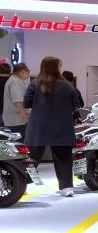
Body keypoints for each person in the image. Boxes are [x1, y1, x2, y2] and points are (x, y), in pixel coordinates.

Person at [23, 57, 82, 197]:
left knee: (31, 159)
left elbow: (27, 103)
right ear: (57, 67)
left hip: (38, 127)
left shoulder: (34, 84)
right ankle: (67, 187)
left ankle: (21, 184)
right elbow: (76, 105)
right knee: (64, 158)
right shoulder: (68, 86)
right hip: (62, 126)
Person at [2, 63, 31, 138]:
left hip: (15, 119)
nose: (28, 74)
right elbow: (18, 100)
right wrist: (23, 115)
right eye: (28, 72)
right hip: (17, 120)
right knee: (19, 142)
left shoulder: (14, 80)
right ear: (22, 71)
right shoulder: (15, 82)